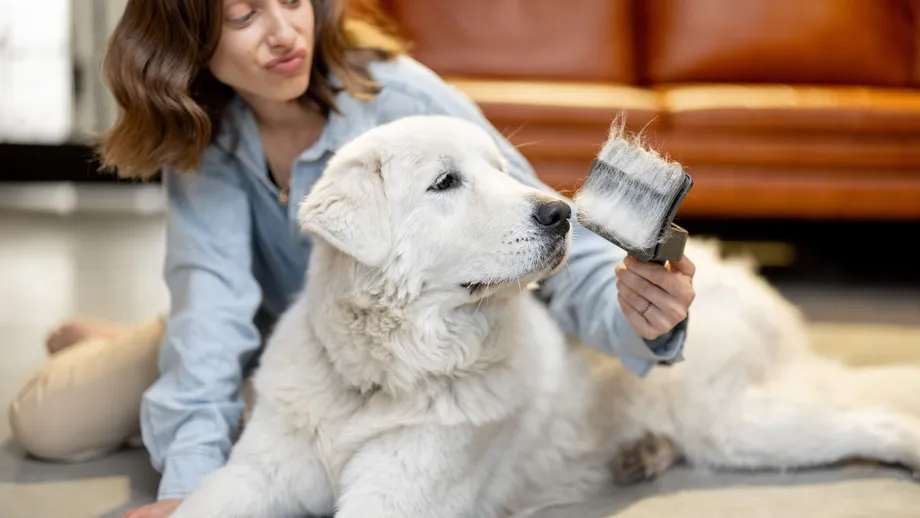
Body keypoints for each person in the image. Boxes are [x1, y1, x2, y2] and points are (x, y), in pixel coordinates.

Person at [7, 1, 697, 516]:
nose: (284, 31)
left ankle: (131, 350)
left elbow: (540, 230)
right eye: (246, 13)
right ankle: (127, 344)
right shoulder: (205, 138)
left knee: (252, 409)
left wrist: (640, 317)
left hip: (358, 346)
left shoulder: (407, 100)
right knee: (46, 424)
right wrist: (187, 495)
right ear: (190, 40)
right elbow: (209, 315)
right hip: (270, 338)